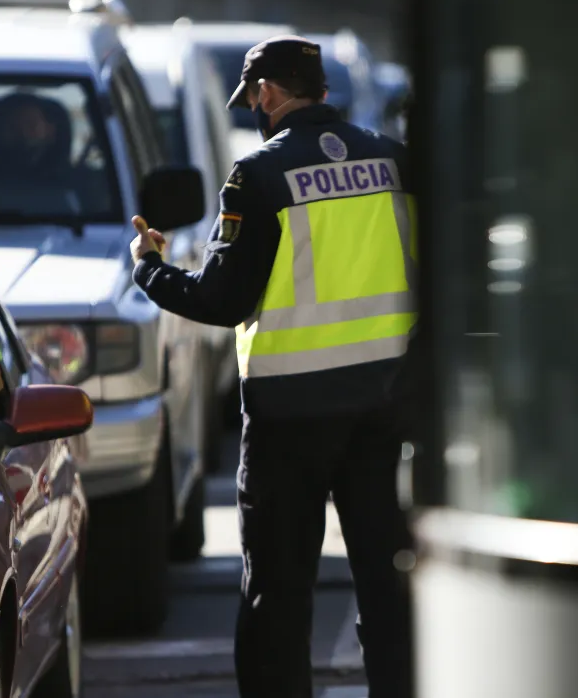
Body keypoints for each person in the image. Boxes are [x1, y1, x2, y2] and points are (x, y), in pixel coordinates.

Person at [129, 36, 416, 698]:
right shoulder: (392, 160)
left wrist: (151, 269)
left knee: (279, 600)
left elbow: (222, 302)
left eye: (253, 97)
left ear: (266, 92)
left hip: (289, 419)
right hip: (379, 406)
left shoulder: (257, 176)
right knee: (388, 585)